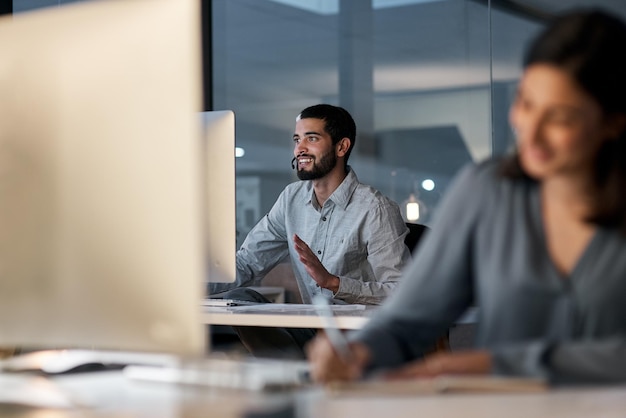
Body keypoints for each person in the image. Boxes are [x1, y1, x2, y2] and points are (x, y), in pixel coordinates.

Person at [308, 8, 626, 385]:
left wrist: (494, 365)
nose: (531, 133)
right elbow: (410, 318)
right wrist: (361, 351)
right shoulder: (487, 192)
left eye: (560, 118)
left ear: (613, 121)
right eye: (525, 103)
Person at [209, 104, 411, 358]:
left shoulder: (375, 209)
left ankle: (301, 373)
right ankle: (301, 372)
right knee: (241, 298)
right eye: (297, 139)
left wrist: (334, 283)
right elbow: (248, 263)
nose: (299, 149)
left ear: (341, 147)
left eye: (311, 138)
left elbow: (401, 292)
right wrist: (187, 286)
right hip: (311, 329)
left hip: (360, 337)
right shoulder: (290, 199)